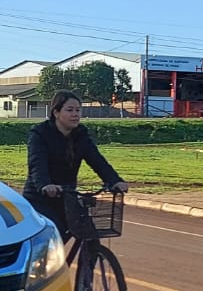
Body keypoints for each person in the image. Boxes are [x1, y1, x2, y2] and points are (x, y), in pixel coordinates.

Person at [23, 90, 129, 239]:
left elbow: (97, 160)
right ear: (56, 112)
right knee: (55, 234)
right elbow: (37, 163)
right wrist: (45, 185)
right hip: (41, 197)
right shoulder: (40, 134)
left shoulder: (80, 135)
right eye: (70, 110)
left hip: (67, 194)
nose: (75, 114)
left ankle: (89, 259)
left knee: (88, 231)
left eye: (78, 110)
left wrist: (115, 180)